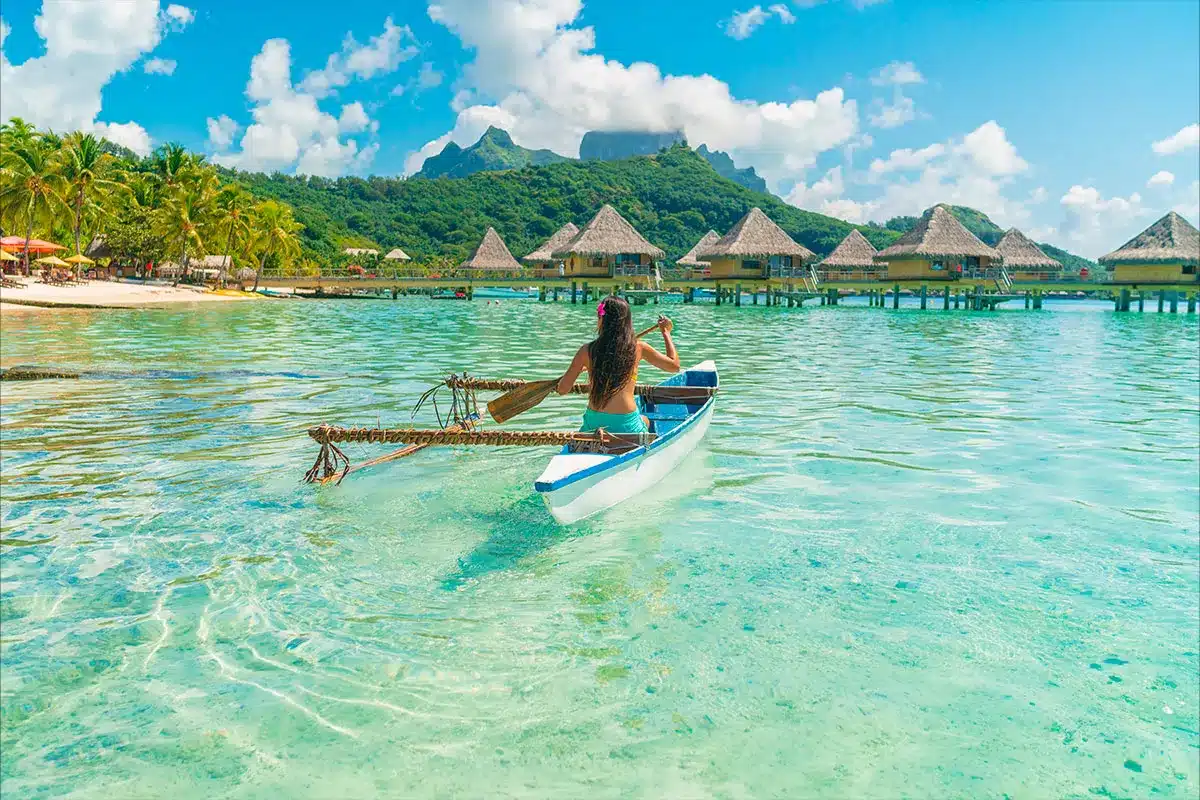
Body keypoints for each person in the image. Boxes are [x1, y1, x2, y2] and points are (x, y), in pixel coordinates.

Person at [556, 295, 680, 434]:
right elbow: (674, 366)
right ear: (627, 322)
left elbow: (562, 389)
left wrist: (577, 369)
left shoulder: (586, 350)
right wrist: (665, 332)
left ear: (601, 320)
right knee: (645, 419)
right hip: (626, 424)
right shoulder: (638, 348)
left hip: (594, 423)